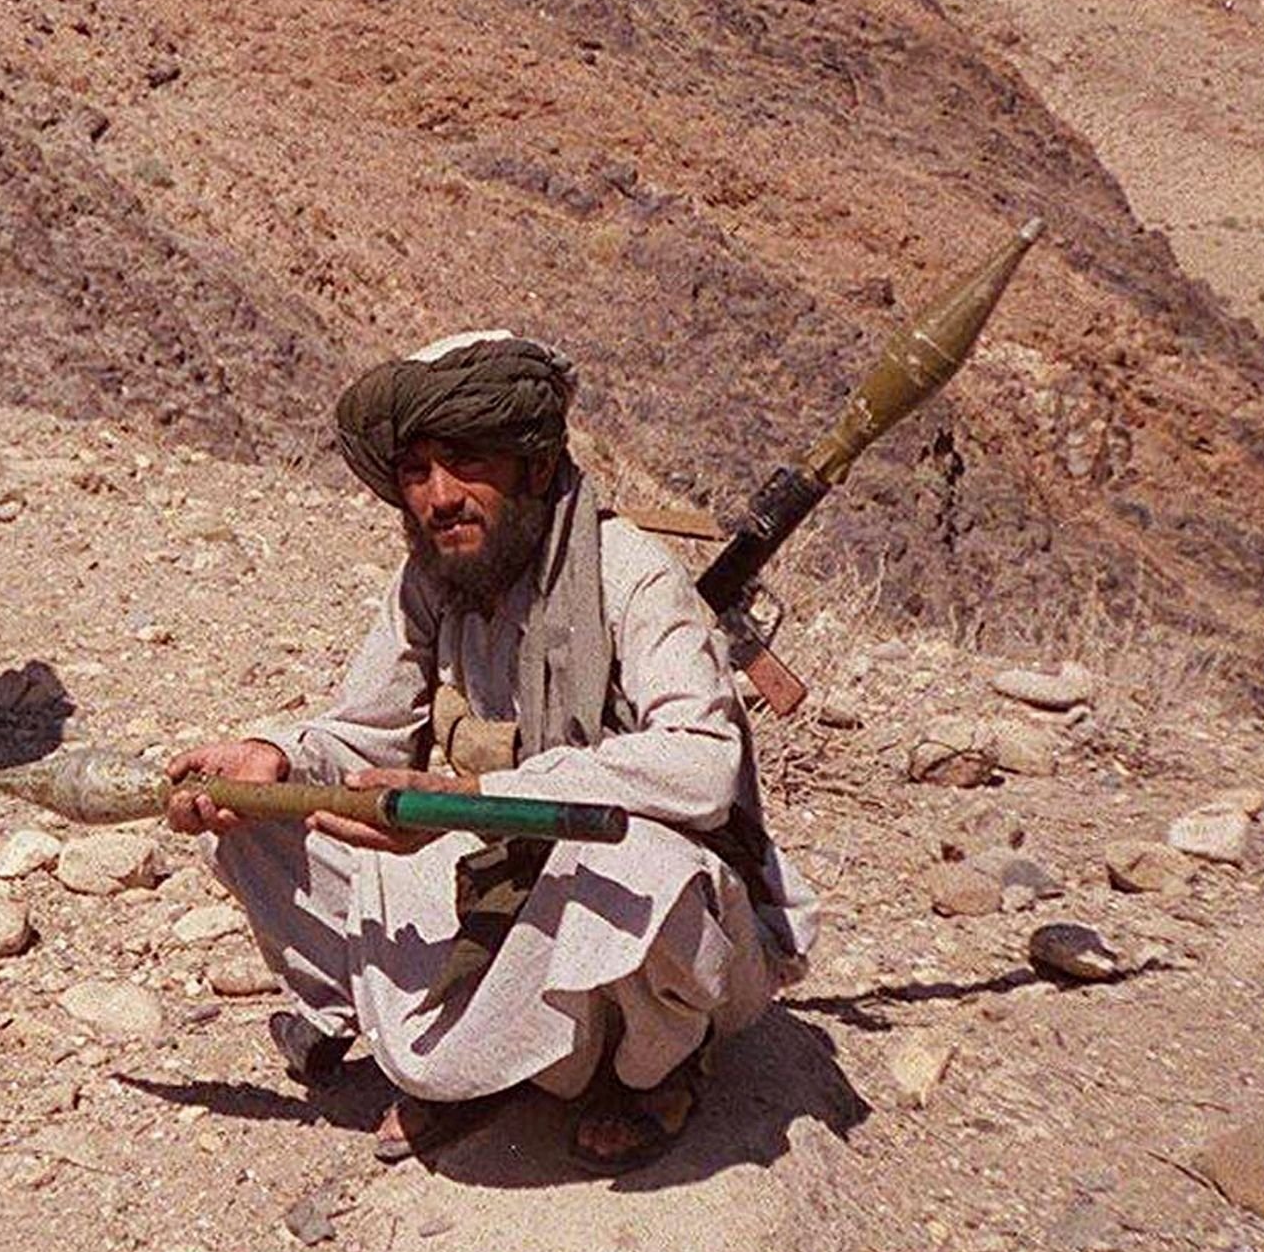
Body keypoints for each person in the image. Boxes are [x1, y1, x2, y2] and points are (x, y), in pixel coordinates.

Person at [167, 331, 815, 1170]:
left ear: (535, 468)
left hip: (637, 904)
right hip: (494, 875)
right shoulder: (431, 579)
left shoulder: (630, 576)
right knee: (252, 819)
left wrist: (482, 792)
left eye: (466, 463)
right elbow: (360, 734)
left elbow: (700, 764)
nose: (439, 497)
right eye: (415, 472)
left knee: (627, 860)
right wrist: (272, 758)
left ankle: (656, 1071)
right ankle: (483, 1059)